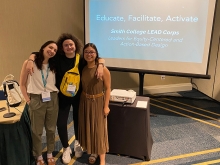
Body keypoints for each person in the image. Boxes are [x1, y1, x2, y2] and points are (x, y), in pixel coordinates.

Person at [26, 33, 105, 164]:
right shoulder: (57, 58)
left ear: (76, 46)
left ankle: (78, 143)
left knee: (79, 121)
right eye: (66, 45)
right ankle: (66, 147)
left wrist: (101, 65)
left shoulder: (81, 59)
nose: (69, 47)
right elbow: (37, 53)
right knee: (61, 122)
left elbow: (98, 58)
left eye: (71, 44)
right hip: (61, 97)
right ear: (62, 48)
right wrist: (30, 60)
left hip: (78, 96)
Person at [20, 40, 59, 165]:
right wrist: (28, 100)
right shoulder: (29, 63)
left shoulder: (54, 65)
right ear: (43, 47)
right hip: (36, 99)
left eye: (55, 50)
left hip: (52, 98)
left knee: (51, 129)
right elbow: (22, 84)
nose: (52, 51)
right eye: (50, 47)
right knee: (36, 131)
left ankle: (49, 153)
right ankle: (38, 155)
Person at [78, 43, 111, 165]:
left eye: (92, 52)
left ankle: (102, 159)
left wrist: (106, 106)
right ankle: (93, 152)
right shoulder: (83, 68)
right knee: (89, 127)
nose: (89, 54)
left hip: (98, 102)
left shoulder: (103, 69)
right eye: (86, 52)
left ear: (96, 54)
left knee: (99, 130)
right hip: (85, 101)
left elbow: (108, 88)